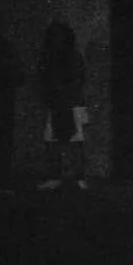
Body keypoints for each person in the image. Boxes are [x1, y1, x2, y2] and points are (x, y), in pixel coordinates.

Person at [35, 20, 88, 191]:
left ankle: (77, 175)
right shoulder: (49, 57)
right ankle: (55, 175)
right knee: (53, 140)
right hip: (57, 104)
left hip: (71, 104)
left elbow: (78, 79)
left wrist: (65, 94)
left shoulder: (73, 56)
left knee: (74, 141)